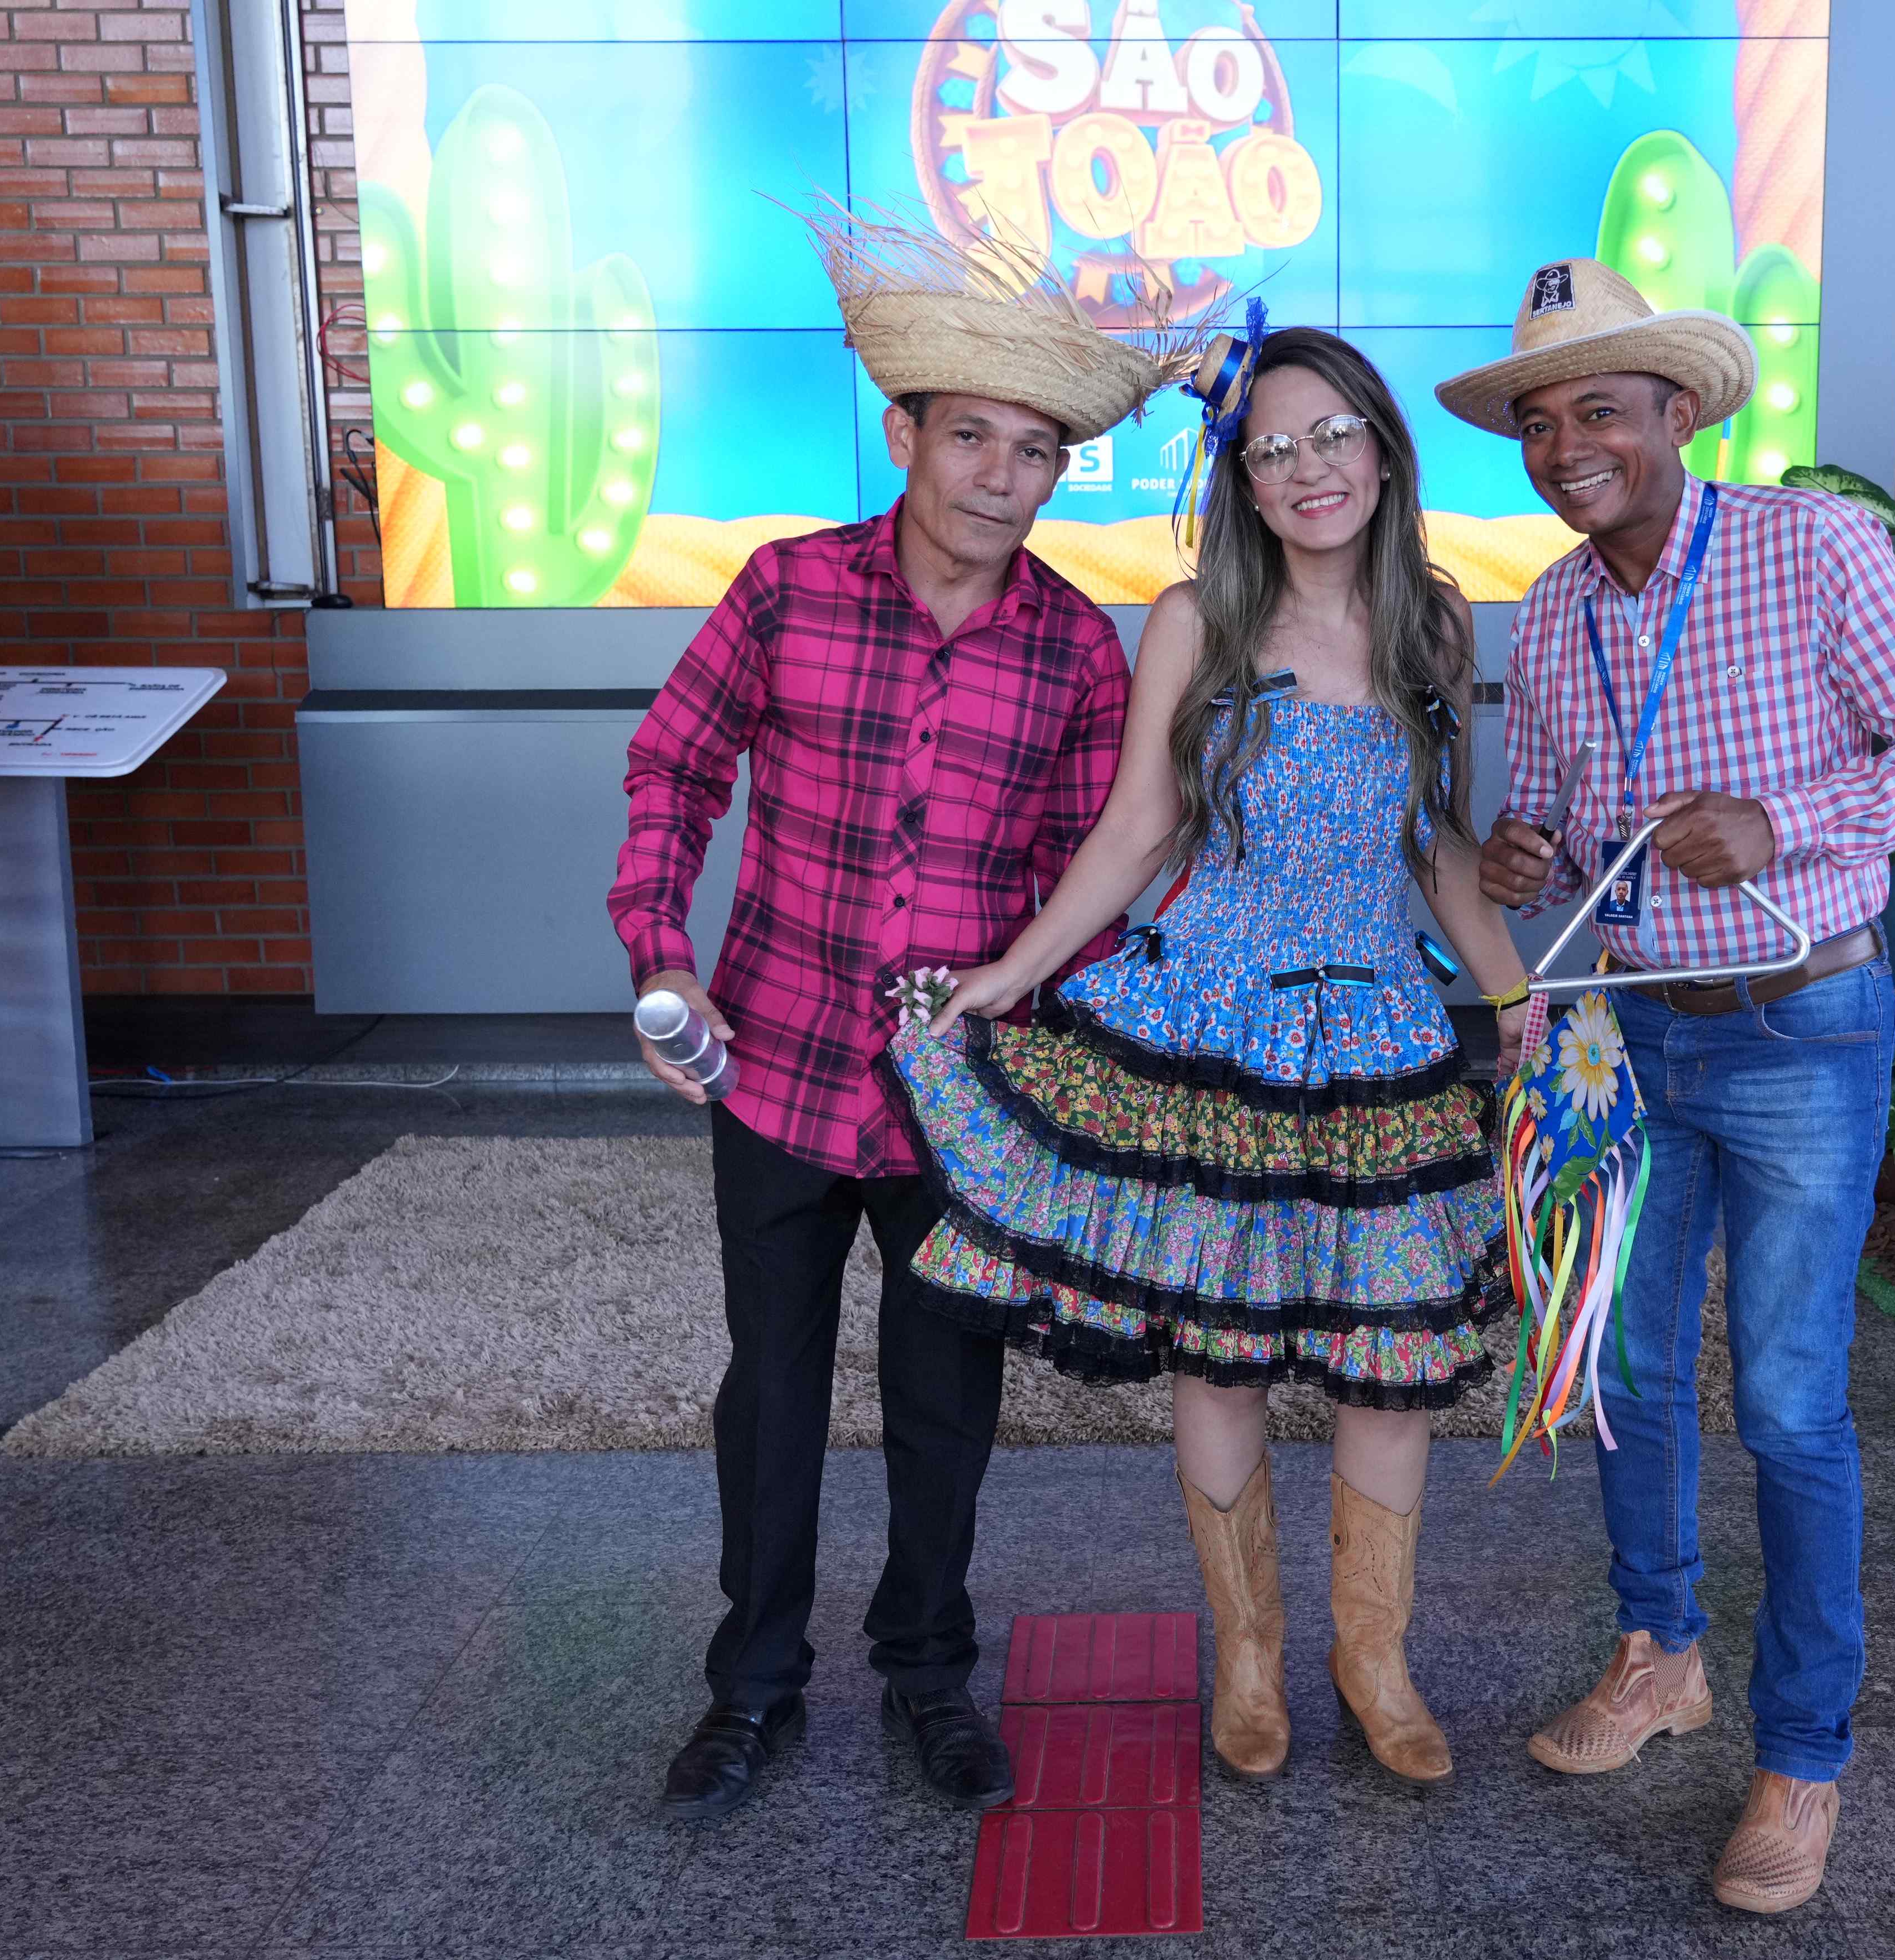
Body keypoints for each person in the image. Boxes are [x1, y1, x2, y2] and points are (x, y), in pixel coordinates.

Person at [606, 213, 1195, 1822]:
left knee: (946, 1399)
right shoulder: (787, 590)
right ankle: (753, 1684)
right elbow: (675, 765)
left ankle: (931, 1671)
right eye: (973, 438)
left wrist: (1062, 1081)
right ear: (906, 435)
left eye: (1037, 451)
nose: (1002, 477)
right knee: (772, 1390)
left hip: (959, 1104)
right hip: (778, 1072)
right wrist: (663, 955)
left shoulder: (1077, 649)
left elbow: (1087, 880)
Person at [885, 325, 1530, 1788]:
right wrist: (1012, 974)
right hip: (1212, 1024)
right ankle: (1247, 1655)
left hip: (1377, 1032)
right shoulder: (1196, 620)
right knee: (1223, 1355)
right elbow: (1139, 828)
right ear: (1242, 479)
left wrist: (1514, 997)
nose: (1309, 469)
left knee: (1384, 1359)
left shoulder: (1435, 623)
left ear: (1384, 452)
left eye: (1333, 436)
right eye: (1273, 448)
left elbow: (1435, 841)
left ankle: (1374, 1660)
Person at [1438, 260, 1895, 1912]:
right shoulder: (1553, 608)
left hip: (1802, 1026)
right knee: (1622, 1366)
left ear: (1678, 412)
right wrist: (1527, 852)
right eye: (1540, 423)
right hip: (1628, 1032)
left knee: (1788, 1399)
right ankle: (1661, 1655)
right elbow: (1562, 830)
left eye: (1600, 410)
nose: (1566, 448)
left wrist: (1784, 823)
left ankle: (1801, 1756)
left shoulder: (1807, 546)